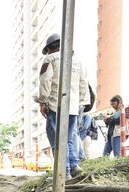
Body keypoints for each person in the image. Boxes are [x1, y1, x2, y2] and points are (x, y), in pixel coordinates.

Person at [36, 33, 90, 179]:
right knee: (68, 138)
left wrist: (43, 101)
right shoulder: (77, 61)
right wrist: (80, 103)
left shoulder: (50, 59)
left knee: (57, 140)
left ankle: (63, 173)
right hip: (73, 106)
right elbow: (84, 84)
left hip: (56, 105)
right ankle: (73, 166)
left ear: (49, 48)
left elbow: (45, 81)